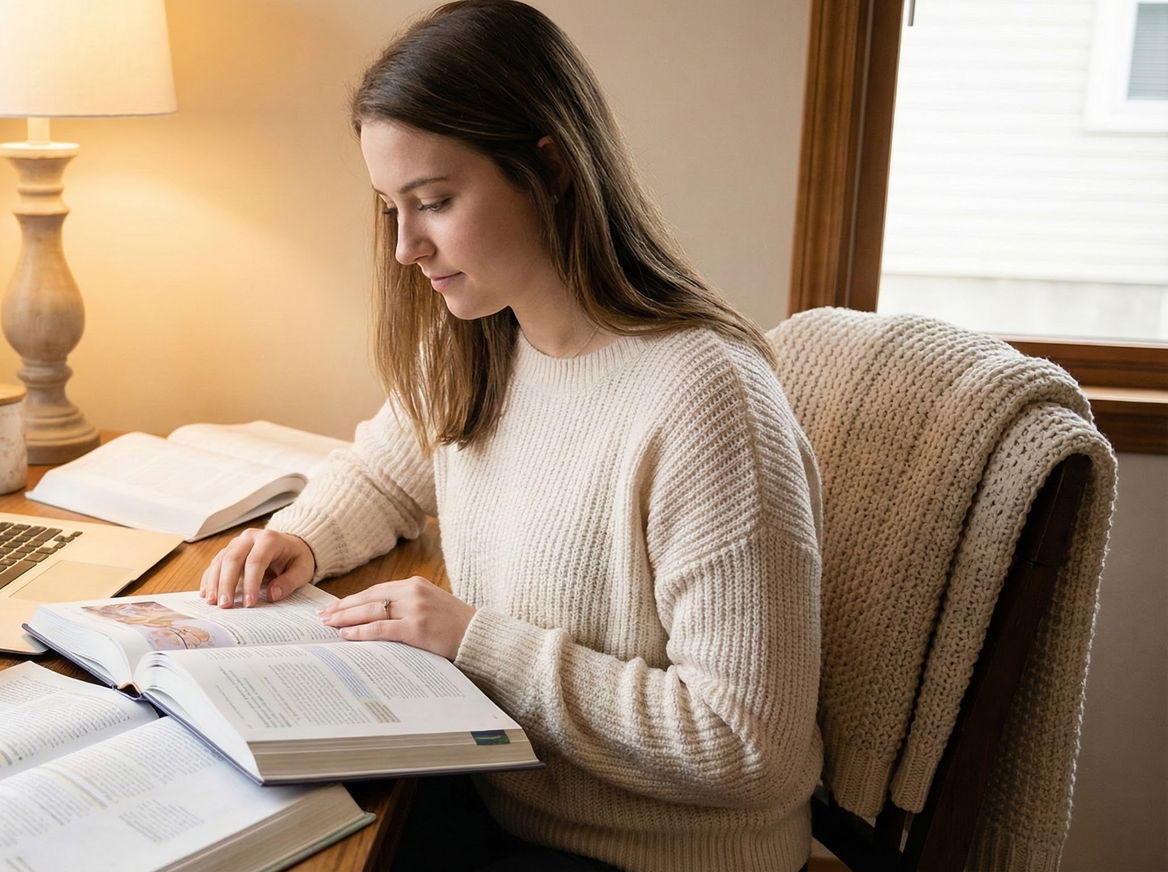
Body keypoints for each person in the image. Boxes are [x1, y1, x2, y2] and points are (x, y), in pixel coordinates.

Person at [201, 2, 822, 870]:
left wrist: (475, 641)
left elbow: (748, 747)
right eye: (390, 209)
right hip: (505, 801)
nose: (405, 249)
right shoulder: (486, 336)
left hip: (645, 856)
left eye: (435, 203)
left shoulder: (705, 401)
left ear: (552, 166)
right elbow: (387, 470)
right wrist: (298, 537)